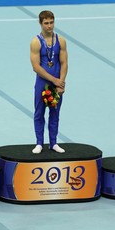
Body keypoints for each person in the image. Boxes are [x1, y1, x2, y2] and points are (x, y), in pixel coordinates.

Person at [30, 10, 68, 154]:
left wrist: (61, 82)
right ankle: (39, 143)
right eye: (46, 23)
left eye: (51, 22)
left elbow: (64, 63)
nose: (49, 26)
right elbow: (36, 67)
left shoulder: (61, 41)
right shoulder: (35, 42)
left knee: (55, 113)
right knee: (39, 113)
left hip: (57, 83)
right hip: (42, 83)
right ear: (40, 24)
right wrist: (55, 80)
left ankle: (53, 143)